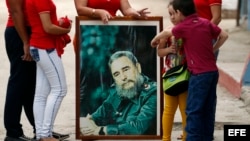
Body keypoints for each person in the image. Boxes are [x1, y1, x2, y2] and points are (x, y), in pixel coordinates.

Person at [150, 0, 228, 140]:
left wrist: (154, 39)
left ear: (179, 12)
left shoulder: (184, 27)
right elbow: (224, 35)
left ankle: (192, 138)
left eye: (173, 13)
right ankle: (207, 137)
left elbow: (167, 32)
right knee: (207, 108)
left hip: (198, 75)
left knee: (193, 110)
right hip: (212, 72)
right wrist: (213, 48)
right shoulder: (205, 22)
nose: (172, 16)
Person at [4, 0, 69, 141]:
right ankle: (13, 132)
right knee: (18, 82)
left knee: (33, 87)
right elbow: (16, 12)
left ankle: (42, 131)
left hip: (32, 31)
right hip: (19, 32)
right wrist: (25, 41)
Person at [25, 0, 72, 140]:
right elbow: (48, 28)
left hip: (38, 45)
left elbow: (44, 23)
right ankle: (45, 134)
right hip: (45, 47)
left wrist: (59, 23)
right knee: (60, 89)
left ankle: (41, 134)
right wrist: (66, 30)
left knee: (41, 94)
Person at [80, 51, 157, 135]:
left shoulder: (153, 93)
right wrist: (88, 122)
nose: (123, 77)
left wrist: (102, 130)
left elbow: (138, 128)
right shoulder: (117, 92)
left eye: (126, 69)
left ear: (138, 68)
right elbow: (97, 116)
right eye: (116, 74)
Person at [157, 2, 187, 141]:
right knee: (168, 110)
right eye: (170, 14)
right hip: (169, 76)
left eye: (175, 13)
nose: (172, 17)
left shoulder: (189, 31)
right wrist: (168, 50)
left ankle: (186, 136)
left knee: (185, 109)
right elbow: (159, 52)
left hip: (186, 75)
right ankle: (166, 137)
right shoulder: (167, 32)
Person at [73, 0, 150, 49]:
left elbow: (127, 9)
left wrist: (135, 13)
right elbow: (80, 9)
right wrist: (98, 12)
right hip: (89, 36)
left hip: (110, 37)